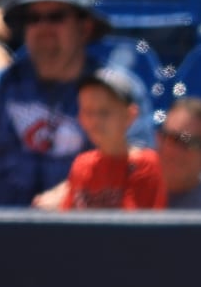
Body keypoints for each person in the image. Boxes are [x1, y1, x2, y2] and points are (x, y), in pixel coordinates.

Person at [0, 0, 152, 207]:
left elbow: (135, 162)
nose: (43, 27)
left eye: (56, 17)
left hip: (85, 230)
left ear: (84, 28)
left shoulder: (117, 90)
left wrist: (73, 192)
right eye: (33, 18)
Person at [61, 67, 165, 210]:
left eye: (104, 112)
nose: (95, 121)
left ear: (130, 115)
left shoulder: (147, 163)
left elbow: (138, 226)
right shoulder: (81, 165)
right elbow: (67, 222)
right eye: (88, 112)